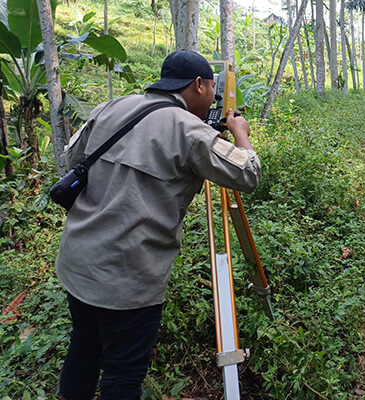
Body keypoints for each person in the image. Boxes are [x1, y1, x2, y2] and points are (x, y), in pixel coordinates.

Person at [55, 50, 261, 400]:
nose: (213, 95)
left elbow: (74, 158)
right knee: (122, 373)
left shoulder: (112, 106)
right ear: (199, 85)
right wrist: (240, 133)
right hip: (128, 279)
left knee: (84, 346)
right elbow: (249, 174)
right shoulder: (192, 132)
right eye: (213, 87)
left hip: (79, 263)